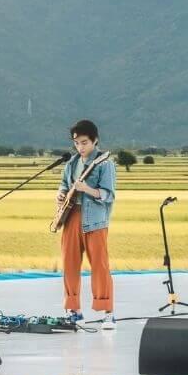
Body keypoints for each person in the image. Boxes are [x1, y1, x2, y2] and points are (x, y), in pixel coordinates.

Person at [57, 120, 116, 329]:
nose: (80, 147)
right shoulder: (72, 163)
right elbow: (63, 185)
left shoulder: (104, 163)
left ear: (95, 140)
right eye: (76, 143)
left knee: (99, 266)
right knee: (69, 264)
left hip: (96, 220)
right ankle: (74, 310)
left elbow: (109, 195)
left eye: (84, 142)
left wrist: (86, 189)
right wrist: (62, 194)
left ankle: (108, 313)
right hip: (71, 216)